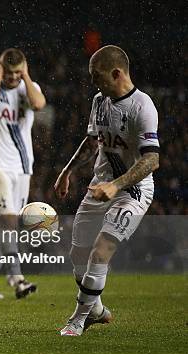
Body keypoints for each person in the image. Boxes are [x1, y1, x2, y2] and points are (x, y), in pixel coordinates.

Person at [54, 45, 160, 336]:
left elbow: (152, 159)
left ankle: (79, 318)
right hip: (99, 187)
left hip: (132, 191)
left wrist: (116, 185)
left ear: (116, 73)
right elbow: (92, 142)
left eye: (96, 76)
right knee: (78, 255)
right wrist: (68, 170)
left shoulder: (143, 106)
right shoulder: (100, 100)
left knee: (100, 252)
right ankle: (97, 309)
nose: (93, 83)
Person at [0, 48, 46, 298]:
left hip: (22, 167)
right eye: (10, 73)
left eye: (19, 73)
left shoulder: (28, 88)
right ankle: (17, 279)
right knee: (8, 221)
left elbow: (39, 104)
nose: (13, 77)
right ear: (2, 70)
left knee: (8, 226)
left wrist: (26, 78)